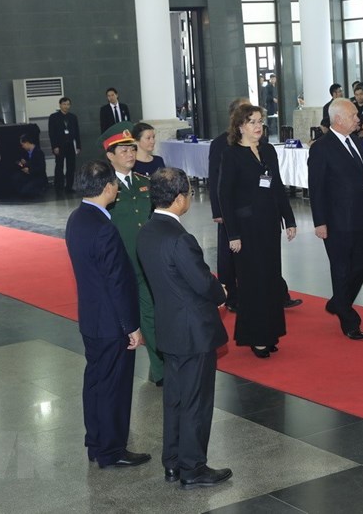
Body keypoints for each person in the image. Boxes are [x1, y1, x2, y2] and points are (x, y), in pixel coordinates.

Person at [136, 167, 233, 490]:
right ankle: (193, 467)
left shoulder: (148, 230)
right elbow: (202, 282)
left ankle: (173, 462)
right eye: (189, 194)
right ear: (179, 199)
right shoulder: (180, 239)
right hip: (193, 332)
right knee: (196, 402)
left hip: (169, 329)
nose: (189, 199)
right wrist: (221, 293)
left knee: (175, 399)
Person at [64, 160, 149, 469]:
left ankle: (96, 441)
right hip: (112, 323)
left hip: (91, 318)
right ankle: (112, 450)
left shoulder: (77, 218)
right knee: (115, 386)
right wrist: (132, 326)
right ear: (108, 187)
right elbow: (117, 283)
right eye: (114, 183)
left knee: (96, 382)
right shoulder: (104, 229)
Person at [218, 103, 297, 358]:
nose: (258, 126)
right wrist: (233, 234)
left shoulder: (268, 150)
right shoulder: (231, 154)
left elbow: (277, 185)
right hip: (245, 228)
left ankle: (270, 332)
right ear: (240, 126)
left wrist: (289, 218)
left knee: (271, 279)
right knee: (253, 282)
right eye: (252, 122)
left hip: (269, 224)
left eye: (260, 121)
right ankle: (255, 336)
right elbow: (224, 196)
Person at [308, 98, 363, 340]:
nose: (358, 119)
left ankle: (339, 301)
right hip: (336, 221)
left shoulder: (356, 142)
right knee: (341, 269)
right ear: (338, 119)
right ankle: (349, 321)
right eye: (353, 115)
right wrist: (320, 222)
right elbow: (315, 188)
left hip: (360, 217)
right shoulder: (321, 148)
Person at [102, 124, 164, 386]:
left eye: (131, 148)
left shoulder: (144, 183)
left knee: (152, 312)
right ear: (110, 155)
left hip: (147, 261)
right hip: (121, 263)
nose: (129, 154)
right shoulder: (105, 188)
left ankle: (161, 368)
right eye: (122, 150)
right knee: (127, 317)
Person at [208, 97, 250, 312]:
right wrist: (218, 210)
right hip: (228, 207)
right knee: (229, 254)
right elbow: (214, 179)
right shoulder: (220, 143)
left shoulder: (254, 141)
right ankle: (230, 295)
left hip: (250, 209)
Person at [48, 96, 80, 193]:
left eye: (68, 104)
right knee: (59, 166)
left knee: (71, 166)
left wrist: (78, 146)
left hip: (70, 144)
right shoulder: (54, 117)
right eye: (64, 104)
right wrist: (54, 146)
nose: (66, 106)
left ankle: (69, 187)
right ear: (60, 105)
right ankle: (59, 186)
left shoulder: (73, 117)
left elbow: (77, 132)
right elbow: (51, 133)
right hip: (59, 145)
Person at [11, 134, 48, 198]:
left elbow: (41, 168)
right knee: (15, 177)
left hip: (37, 177)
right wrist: (23, 164)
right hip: (29, 175)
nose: (22, 146)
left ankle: (38, 190)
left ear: (27, 143)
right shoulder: (26, 152)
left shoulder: (39, 152)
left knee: (25, 191)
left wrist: (29, 170)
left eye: (23, 144)